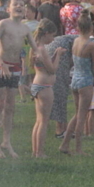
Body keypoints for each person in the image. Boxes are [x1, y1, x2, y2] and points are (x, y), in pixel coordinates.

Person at [0, 0, 33, 158]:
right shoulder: (3, 24)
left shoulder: (26, 28)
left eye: (22, 5)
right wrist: (1, 64)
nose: (19, 7)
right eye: (16, 5)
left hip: (15, 67)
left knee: (10, 106)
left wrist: (45, 55)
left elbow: (35, 48)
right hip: (0, 66)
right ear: (9, 8)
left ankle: (6, 141)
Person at [60, 13, 94, 155]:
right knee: (82, 115)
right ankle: (78, 148)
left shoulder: (75, 41)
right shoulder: (92, 44)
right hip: (86, 80)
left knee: (77, 114)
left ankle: (64, 144)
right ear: (91, 26)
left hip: (75, 78)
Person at [28, 18, 63, 158]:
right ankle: (40, 152)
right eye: (52, 35)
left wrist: (54, 55)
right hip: (45, 87)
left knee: (38, 121)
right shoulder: (43, 49)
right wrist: (59, 55)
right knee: (44, 122)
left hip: (37, 84)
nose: (53, 38)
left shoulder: (35, 48)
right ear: (46, 33)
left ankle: (34, 151)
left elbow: (43, 65)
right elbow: (52, 69)